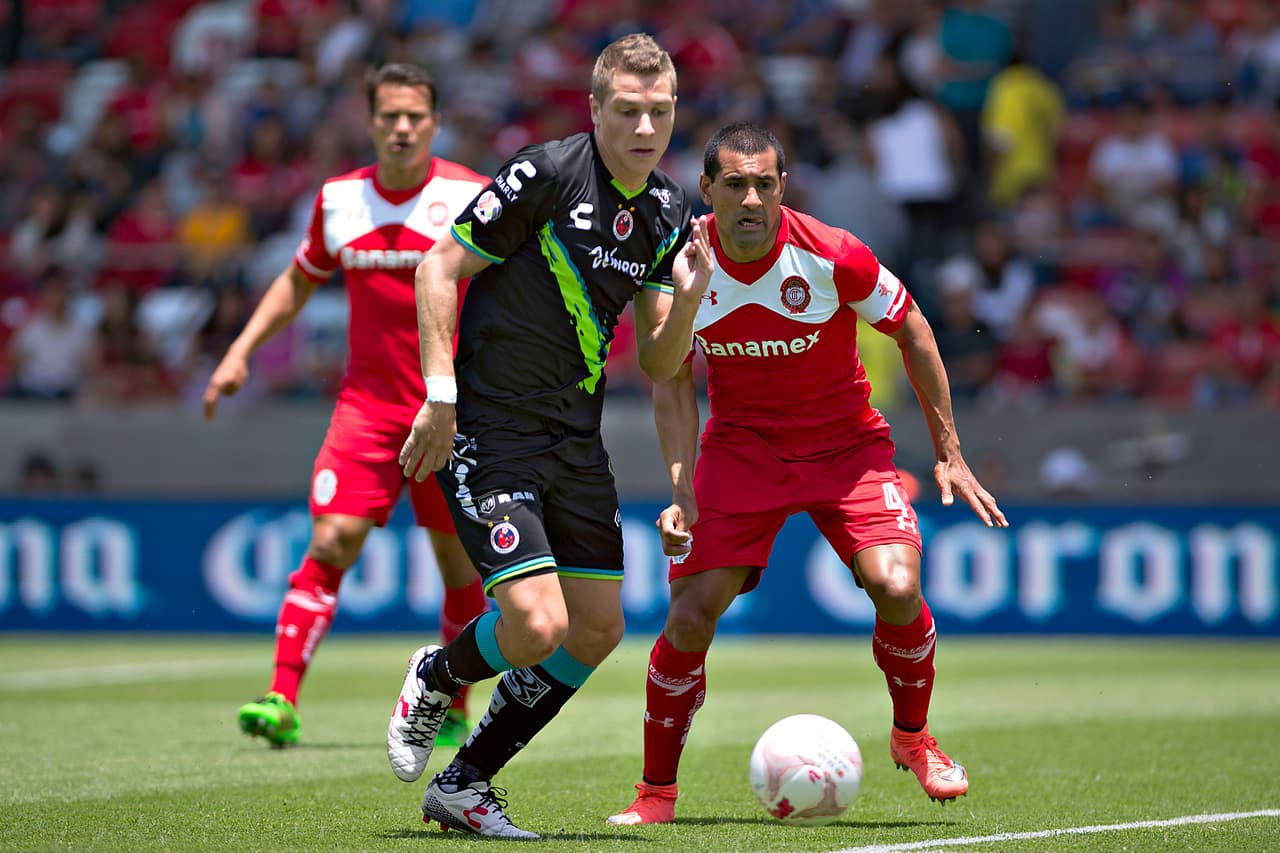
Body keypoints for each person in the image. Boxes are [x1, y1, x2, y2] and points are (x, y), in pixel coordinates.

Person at [606, 121, 1009, 826]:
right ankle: (655, 795)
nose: (752, 198)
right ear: (708, 189)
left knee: (897, 583)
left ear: (783, 187)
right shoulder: (681, 259)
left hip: (846, 448)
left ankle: (914, 738)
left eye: (765, 183)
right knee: (691, 612)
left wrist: (949, 449)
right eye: (735, 184)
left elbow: (912, 326)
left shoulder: (832, 254)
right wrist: (680, 487)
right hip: (742, 451)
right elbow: (667, 375)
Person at [387, 33, 711, 840]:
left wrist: (693, 300)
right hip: (490, 431)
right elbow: (437, 268)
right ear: (595, 108)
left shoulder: (669, 211)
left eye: (660, 111)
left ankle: (465, 782)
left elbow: (663, 363)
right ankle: (437, 672)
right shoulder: (546, 172)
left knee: (599, 627)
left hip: (576, 442)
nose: (645, 127)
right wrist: (440, 396)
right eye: (628, 110)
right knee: (537, 625)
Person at [203, 63, 489, 750]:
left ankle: (450, 700)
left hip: (449, 412)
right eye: (389, 115)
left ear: (435, 122)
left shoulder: (470, 195)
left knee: (458, 567)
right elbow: (298, 281)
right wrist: (241, 350)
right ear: (370, 122)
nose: (401, 127)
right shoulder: (339, 200)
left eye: (414, 116)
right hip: (366, 407)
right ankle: (281, 696)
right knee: (331, 540)